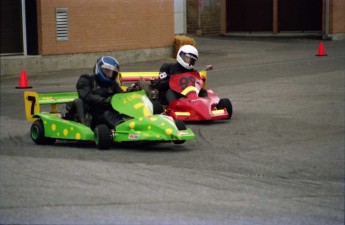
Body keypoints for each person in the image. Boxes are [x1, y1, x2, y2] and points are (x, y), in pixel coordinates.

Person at [74, 56, 125, 129]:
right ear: (99, 69)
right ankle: (84, 124)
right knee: (79, 101)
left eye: (112, 73)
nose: (110, 75)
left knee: (110, 113)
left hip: (105, 112)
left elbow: (121, 96)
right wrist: (105, 100)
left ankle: (126, 124)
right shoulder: (86, 79)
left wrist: (132, 91)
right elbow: (86, 95)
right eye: (107, 71)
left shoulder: (113, 84)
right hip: (90, 112)